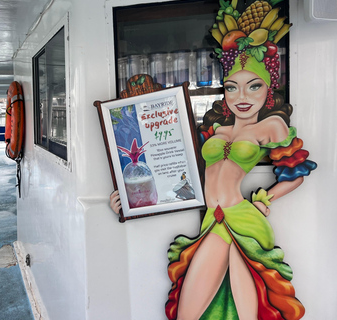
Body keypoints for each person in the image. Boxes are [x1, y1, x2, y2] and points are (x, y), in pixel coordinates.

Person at [110, 1, 316, 319]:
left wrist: (265, 201)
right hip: (212, 219)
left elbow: (296, 173)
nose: (241, 97)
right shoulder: (215, 125)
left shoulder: (271, 126)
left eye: (254, 86)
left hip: (241, 218)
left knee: (201, 312)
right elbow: (178, 167)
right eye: (232, 88)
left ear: (269, 86)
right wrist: (131, 196)